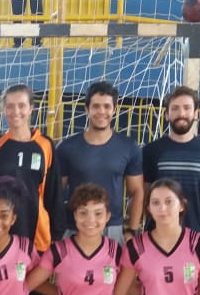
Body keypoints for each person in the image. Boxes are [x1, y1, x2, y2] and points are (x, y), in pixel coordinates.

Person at [0, 84, 61, 295]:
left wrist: (56, 235)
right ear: (3, 109)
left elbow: (54, 193)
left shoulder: (45, 145)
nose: (16, 111)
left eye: (21, 105)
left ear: (32, 108)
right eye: (10, 106)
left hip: (38, 235)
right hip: (3, 238)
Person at [56, 81, 144, 244]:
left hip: (112, 229)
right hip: (76, 228)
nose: (101, 111)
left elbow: (137, 191)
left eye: (106, 106)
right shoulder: (67, 147)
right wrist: (58, 227)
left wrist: (132, 229)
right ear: (87, 109)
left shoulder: (129, 147)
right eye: (96, 106)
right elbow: (56, 192)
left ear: (114, 109)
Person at [142, 85, 200, 235]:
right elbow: (146, 193)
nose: (181, 113)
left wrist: (187, 215)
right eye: (175, 108)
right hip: (157, 232)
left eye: (187, 108)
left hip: (194, 231)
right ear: (166, 114)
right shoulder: (151, 151)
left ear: (196, 113)